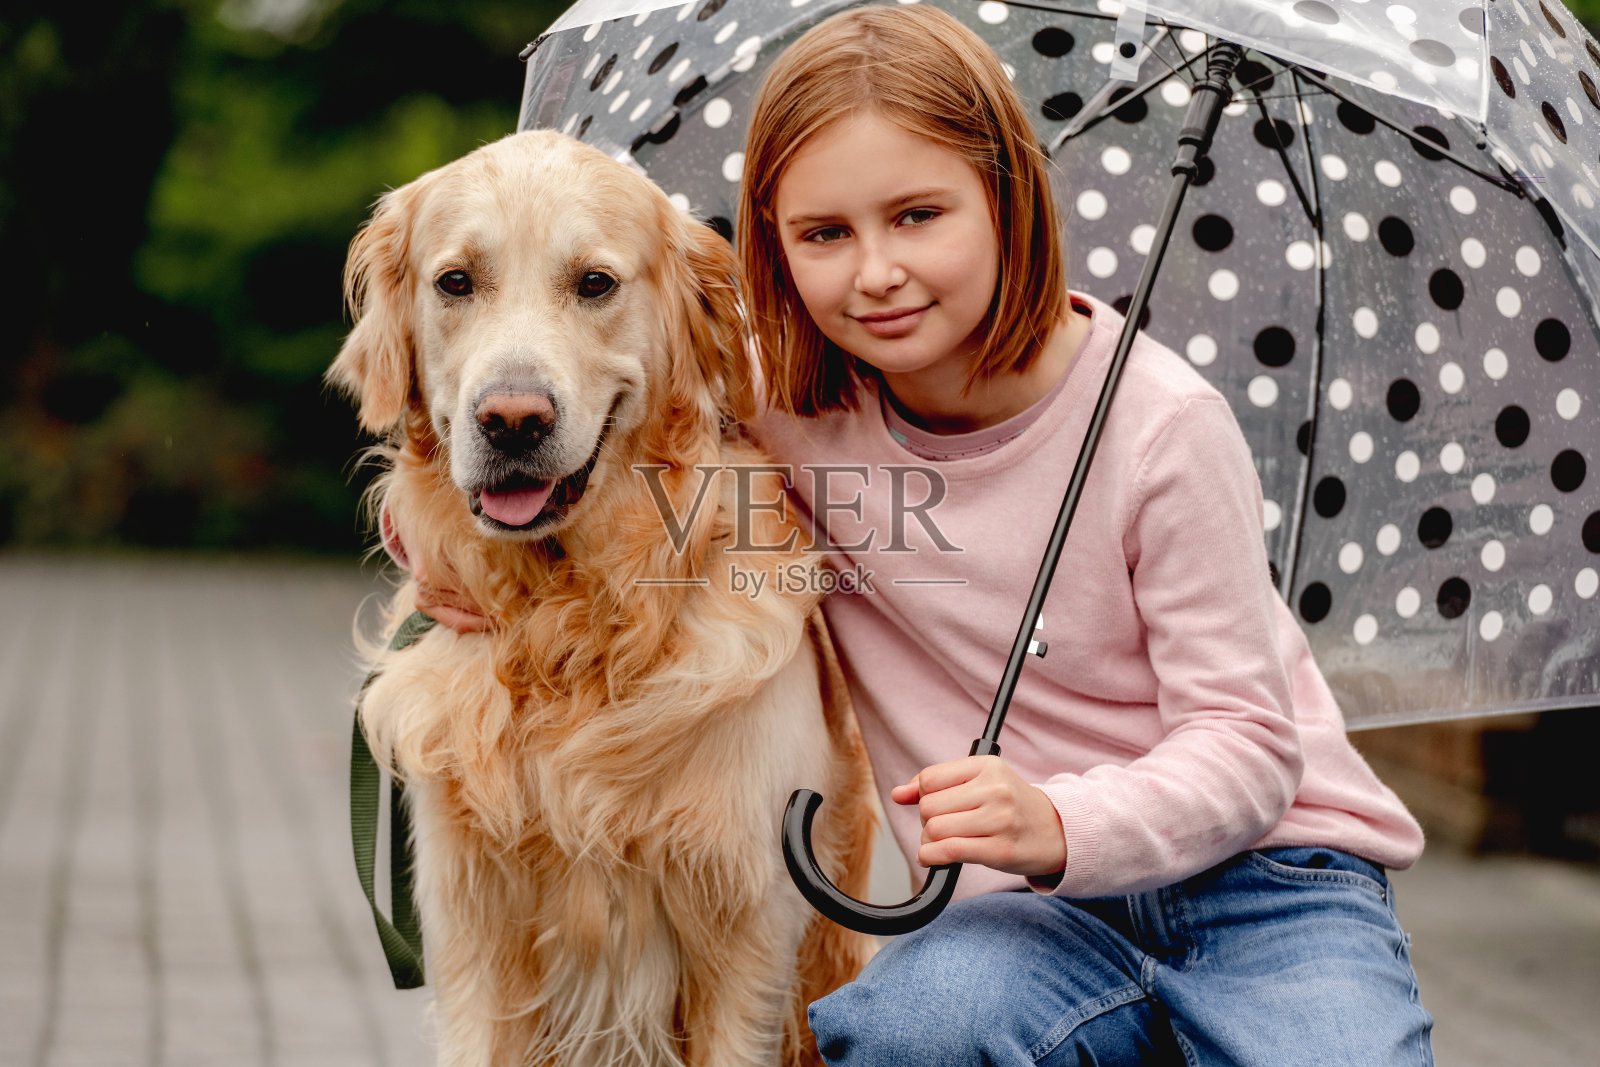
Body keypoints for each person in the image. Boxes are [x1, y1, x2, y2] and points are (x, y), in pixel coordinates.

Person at [401, 5, 1434, 1064]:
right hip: (1035, 914)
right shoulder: (782, 395)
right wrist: (445, 550)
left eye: (918, 215)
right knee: (909, 1027)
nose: (876, 271)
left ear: (1008, 201)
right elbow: (587, 421)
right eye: (824, 234)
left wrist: (1064, 823)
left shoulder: (1165, 428)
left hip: (1269, 881)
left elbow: (1249, 745)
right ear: (773, 246)